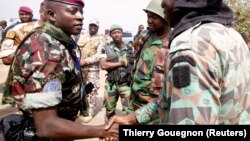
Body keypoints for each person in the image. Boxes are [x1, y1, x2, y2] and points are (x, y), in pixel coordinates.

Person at [106, 0, 250, 126]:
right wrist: (133, 118)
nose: (162, 3)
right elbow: (169, 97)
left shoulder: (190, 45)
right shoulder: (232, 35)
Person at [8, 0, 118, 140]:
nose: (80, 16)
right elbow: (47, 126)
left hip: (63, 126)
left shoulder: (60, 40)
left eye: (81, 11)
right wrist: (102, 131)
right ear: (52, 15)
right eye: (72, 11)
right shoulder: (46, 49)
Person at [128, 0, 171, 116]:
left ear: (165, 18)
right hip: (134, 99)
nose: (149, 21)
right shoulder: (147, 35)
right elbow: (134, 46)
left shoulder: (173, 42)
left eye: (154, 17)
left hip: (152, 106)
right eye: (148, 16)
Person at [99, 24, 134, 119]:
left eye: (118, 32)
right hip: (111, 85)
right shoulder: (105, 48)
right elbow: (103, 65)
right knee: (109, 111)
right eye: (114, 33)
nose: (116, 34)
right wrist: (121, 63)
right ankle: (110, 131)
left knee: (128, 111)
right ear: (110, 35)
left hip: (126, 85)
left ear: (122, 34)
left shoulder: (130, 48)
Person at [77, 18, 107, 122]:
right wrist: (78, 60)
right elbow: (77, 49)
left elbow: (99, 55)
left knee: (92, 90)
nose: (92, 28)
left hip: (92, 69)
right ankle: (82, 110)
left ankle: (90, 112)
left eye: (95, 26)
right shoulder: (83, 36)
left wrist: (86, 61)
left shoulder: (101, 39)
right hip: (81, 68)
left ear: (97, 27)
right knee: (81, 89)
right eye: (91, 25)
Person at [0, 1, 47, 65]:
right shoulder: (13, 28)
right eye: (22, 14)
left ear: (32, 15)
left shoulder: (39, 25)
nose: (24, 16)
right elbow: (6, 58)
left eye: (27, 14)